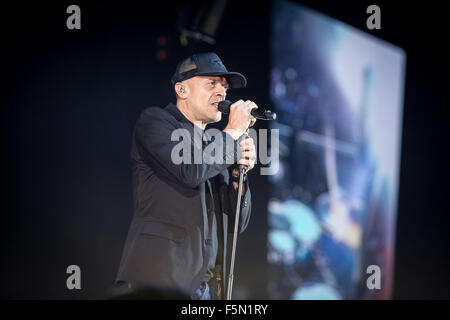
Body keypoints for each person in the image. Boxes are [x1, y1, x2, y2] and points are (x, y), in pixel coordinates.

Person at [114, 52, 257, 300]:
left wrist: (237, 177)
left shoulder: (217, 145)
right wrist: (232, 131)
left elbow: (237, 222)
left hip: (206, 290)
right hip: (158, 281)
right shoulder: (156, 121)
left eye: (223, 86)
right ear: (182, 90)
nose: (221, 92)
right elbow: (190, 171)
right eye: (211, 83)